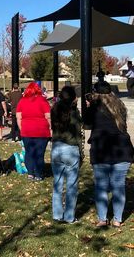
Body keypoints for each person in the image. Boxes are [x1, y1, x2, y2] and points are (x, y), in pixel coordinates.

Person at [85, 81, 134, 227]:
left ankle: (102, 218)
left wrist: (88, 107)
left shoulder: (94, 107)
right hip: (122, 149)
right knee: (118, 185)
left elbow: (86, 123)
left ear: (96, 93)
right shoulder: (120, 106)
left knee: (101, 185)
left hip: (101, 149)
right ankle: (117, 219)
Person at [51, 86, 82, 223]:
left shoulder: (54, 109)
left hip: (57, 147)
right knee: (71, 185)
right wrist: (81, 152)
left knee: (57, 183)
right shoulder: (73, 112)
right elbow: (78, 132)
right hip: (71, 148)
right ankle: (69, 216)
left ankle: (57, 214)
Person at [16, 82, 51, 181]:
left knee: (29, 152)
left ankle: (30, 173)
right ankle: (38, 174)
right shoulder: (43, 100)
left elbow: (19, 117)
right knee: (39, 153)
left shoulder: (22, 101)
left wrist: (21, 129)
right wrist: (50, 127)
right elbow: (48, 116)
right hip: (41, 130)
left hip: (27, 130)